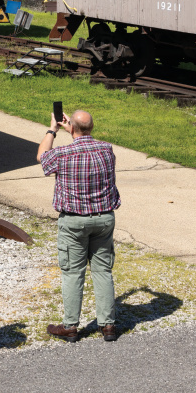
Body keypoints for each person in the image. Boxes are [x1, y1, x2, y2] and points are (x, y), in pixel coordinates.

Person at [37, 109, 120, 343]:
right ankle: (108, 326)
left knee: (73, 273)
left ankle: (71, 326)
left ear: (71, 128)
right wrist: (73, 129)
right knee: (103, 271)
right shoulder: (106, 149)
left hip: (74, 221)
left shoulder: (62, 153)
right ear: (91, 128)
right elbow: (85, 143)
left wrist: (52, 129)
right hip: (104, 218)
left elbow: (42, 156)